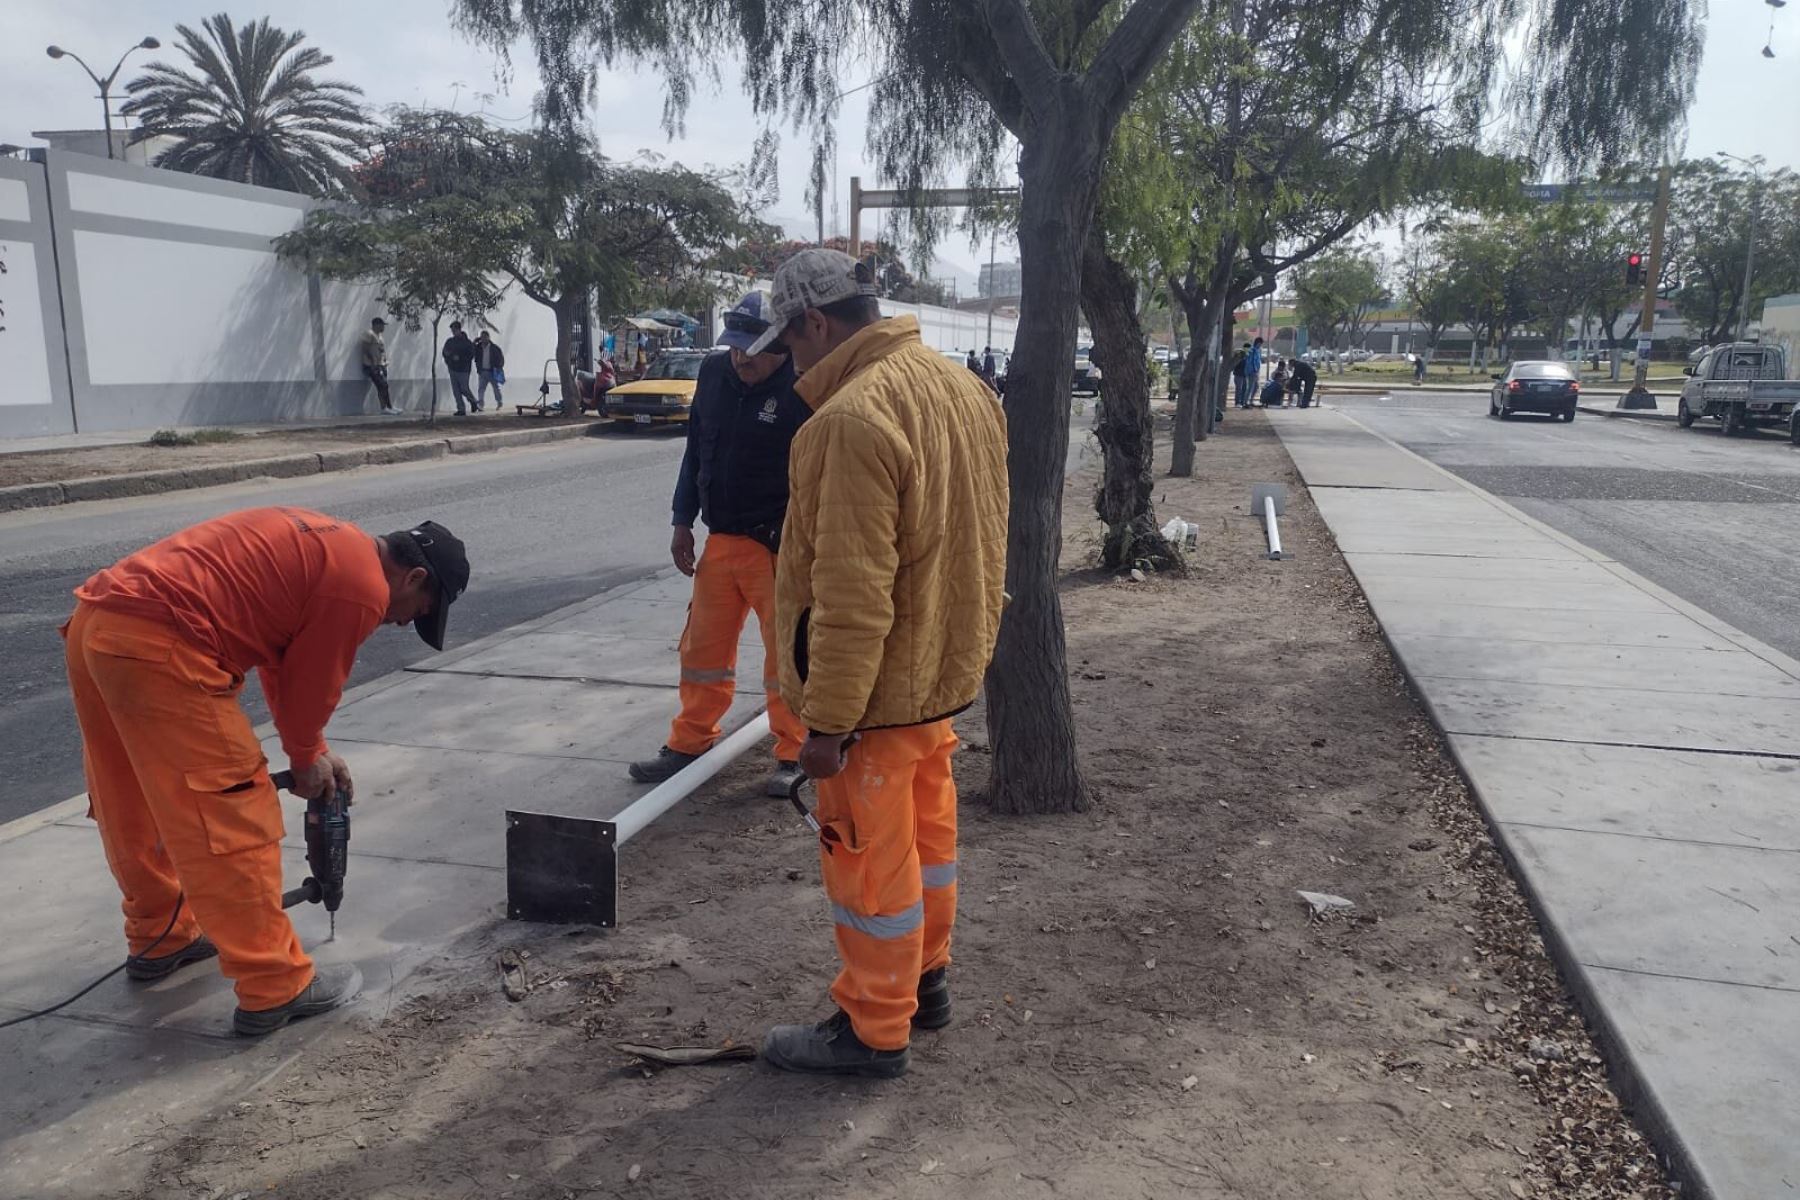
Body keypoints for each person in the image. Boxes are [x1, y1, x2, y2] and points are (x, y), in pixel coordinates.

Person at [739, 249, 1008, 1079]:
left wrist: (826, 724)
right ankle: (925, 984)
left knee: (870, 861)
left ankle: (872, 1026)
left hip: (875, 701)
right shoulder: (965, 389)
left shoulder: (848, 421)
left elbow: (852, 597)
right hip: (936, 682)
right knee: (928, 844)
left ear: (815, 323)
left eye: (789, 344)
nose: (790, 363)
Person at [62, 508, 469, 1036]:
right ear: (413, 577)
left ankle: (159, 935)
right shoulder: (363, 587)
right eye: (418, 612)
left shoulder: (331, 542)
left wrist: (310, 750)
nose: (401, 622)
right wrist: (304, 758)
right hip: (163, 648)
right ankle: (275, 985)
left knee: (132, 801)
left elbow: (285, 664)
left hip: (98, 624)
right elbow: (312, 681)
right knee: (233, 813)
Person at [628, 292, 811, 796]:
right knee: (702, 651)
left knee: (786, 657)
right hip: (721, 542)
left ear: (781, 346)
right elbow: (695, 452)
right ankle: (689, 742)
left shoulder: (805, 385)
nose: (741, 358)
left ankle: (794, 753)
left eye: (753, 349)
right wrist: (681, 519)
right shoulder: (712, 375)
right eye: (734, 347)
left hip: (777, 548)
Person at [443, 321, 478, 416]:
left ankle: (473, 401)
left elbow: (471, 355)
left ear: (459, 329)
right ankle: (461, 409)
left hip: (463, 369)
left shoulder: (467, 342)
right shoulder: (450, 341)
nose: (453, 332)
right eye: (452, 330)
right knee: (456, 391)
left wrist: (460, 358)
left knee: (464, 388)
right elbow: (445, 352)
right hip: (452, 368)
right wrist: (448, 358)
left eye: (455, 330)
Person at [360, 318, 394, 413]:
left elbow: (381, 350)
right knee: (382, 385)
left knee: (384, 385)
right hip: (372, 365)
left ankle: (389, 407)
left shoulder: (380, 336)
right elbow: (365, 349)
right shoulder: (369, 334)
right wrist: (372, 362)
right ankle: (384, 408)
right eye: (382, 325)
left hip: (381, 365)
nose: (383, 327)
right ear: (376, 325)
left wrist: (385, 361)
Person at [475, 331, 506, 412]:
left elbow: (501, 359)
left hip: (492, 372)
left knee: (496, 388)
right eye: (482, 337)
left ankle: (499, 403)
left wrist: (498, 367)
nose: (483, 339)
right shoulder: (478, 348)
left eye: (485, 337)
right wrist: (474, 342)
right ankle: (481, 404)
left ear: (488, 337)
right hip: (482, 372)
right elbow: (474, 355)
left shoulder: (495, 348)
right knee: (481, 389)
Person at [1231, 342, 1252, 407]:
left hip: (1244, 375)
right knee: (1239, 389)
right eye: (1248, 348)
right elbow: (1236, 364)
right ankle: (1237, 403)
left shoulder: (1247, 355)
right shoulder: (1240, 354)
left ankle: (1242, 402)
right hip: (1238, 374)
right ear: (1245, 348)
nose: (1249, 350)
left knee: (1244, 388)